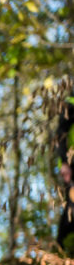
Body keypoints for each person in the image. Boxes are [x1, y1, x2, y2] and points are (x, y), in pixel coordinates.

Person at [55, 77, 74, 253]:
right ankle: (60, 248)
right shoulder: (69, 104)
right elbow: (60, 135)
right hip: (72, 165)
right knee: (72, 206)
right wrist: (65, 164)